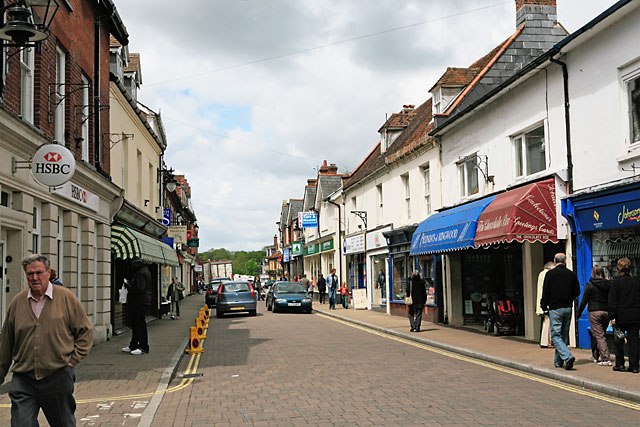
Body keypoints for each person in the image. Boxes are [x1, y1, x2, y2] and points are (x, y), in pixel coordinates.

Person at [0, 254, 93, 426]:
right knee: (21, 423)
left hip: (57, 376)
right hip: (24, 379)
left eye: (39, 273)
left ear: (48, 273)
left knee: (63, 423)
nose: (34, 278)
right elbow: (6, 342)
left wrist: (72, 361)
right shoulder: (17, 302)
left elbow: (85, 332)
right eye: (30, 274)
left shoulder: (66, 298)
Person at [540, 253, 581, 370]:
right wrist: (569, 298)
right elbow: (577, 292)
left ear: (554, 261)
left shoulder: (550, 274)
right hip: (568, 308)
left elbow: (545, 292)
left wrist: (543, 306)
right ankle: (558, 362)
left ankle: (567, 357)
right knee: (563, 336)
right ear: (565, 261)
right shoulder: (571, 274)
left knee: (556, 336)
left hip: (555, 308)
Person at [609, 257, 640, 373]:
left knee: (618, 341)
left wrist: (612, 316)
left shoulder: (615, 282)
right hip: (635, 316)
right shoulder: (636, 281)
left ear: (618, 268)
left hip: (620, 316)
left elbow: (612, 301)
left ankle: (620, 364)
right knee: (634, 342)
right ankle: (634, 366)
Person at [577, 265, 611, 366]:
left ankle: (605, 358)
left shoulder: (590, 285)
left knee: (599, 335)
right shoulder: (608, 284)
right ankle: (595, 355)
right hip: (606, 312)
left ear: (593, 272)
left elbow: (583, 301)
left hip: (595, 312)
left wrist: (579, 313)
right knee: (599, 334)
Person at [123, 256, 152, 355]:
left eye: (134, 264)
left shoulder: (141, 273)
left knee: (139, 324)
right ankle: (133, 345)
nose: (132, 266)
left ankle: (143, 347)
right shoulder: (144, 271)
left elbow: (139, 288)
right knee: (136, 324)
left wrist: (129, 286)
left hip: (140, 301)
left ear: (137, 264)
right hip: (142, 301)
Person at [536, 261, 555, 348]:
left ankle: (547, 341)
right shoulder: (547, 274)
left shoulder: (541, 273)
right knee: (547, 322)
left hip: (542, 302)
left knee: (546, 321)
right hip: (547, 302)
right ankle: (545, 342)